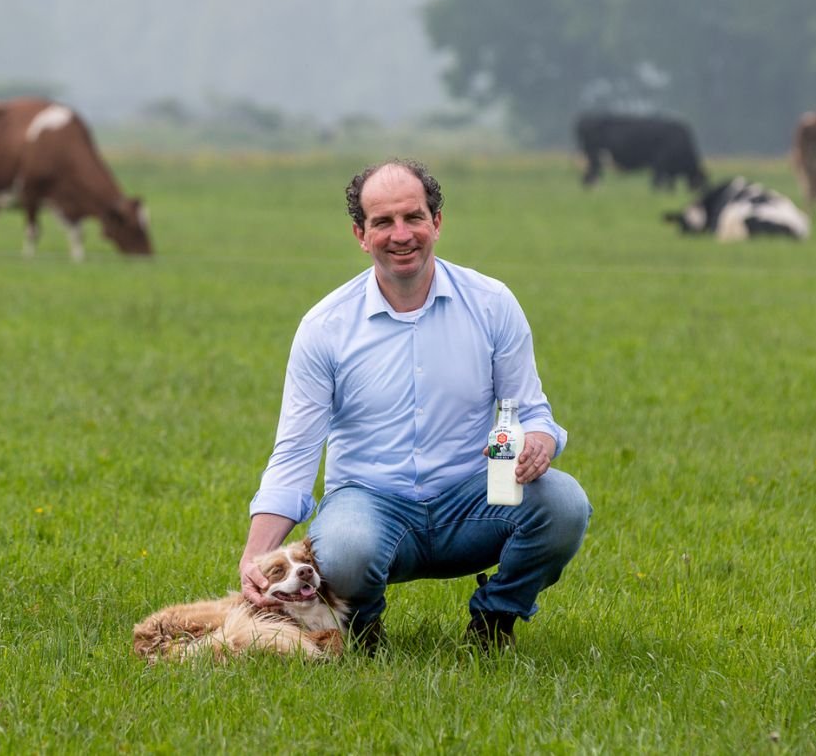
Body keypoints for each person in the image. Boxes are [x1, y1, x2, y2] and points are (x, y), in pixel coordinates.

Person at [238, 159, 592, 651]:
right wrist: (256, 558)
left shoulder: (492, 304)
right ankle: (362, 629)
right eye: (383, 222)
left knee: (564, 503)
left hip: (470, 503)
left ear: (437, 223)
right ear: (361, 235)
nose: (400, 234)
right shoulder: (325, 327)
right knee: (342, 549)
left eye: (413, 218)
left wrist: (540, 439)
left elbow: (531, 410)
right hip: (368, 506)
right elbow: (295, 455)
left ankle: (494, 622)